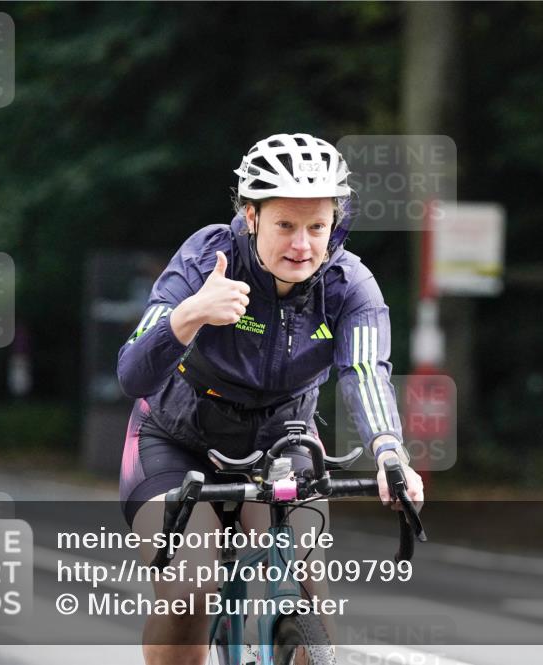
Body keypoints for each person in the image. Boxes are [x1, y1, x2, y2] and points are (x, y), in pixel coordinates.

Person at [117, 132, 423, 665]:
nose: (302, 245)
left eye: (316, 227)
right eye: (285, 225)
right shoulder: (206, 259)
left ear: (336, 223)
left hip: (283, 444)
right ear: (252, 216)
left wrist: (388, 451)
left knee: (310, 590)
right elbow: (132, 371)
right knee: (192, 585)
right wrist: (190, 314)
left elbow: (365, 371)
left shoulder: (350, 285)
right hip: (174, 441)